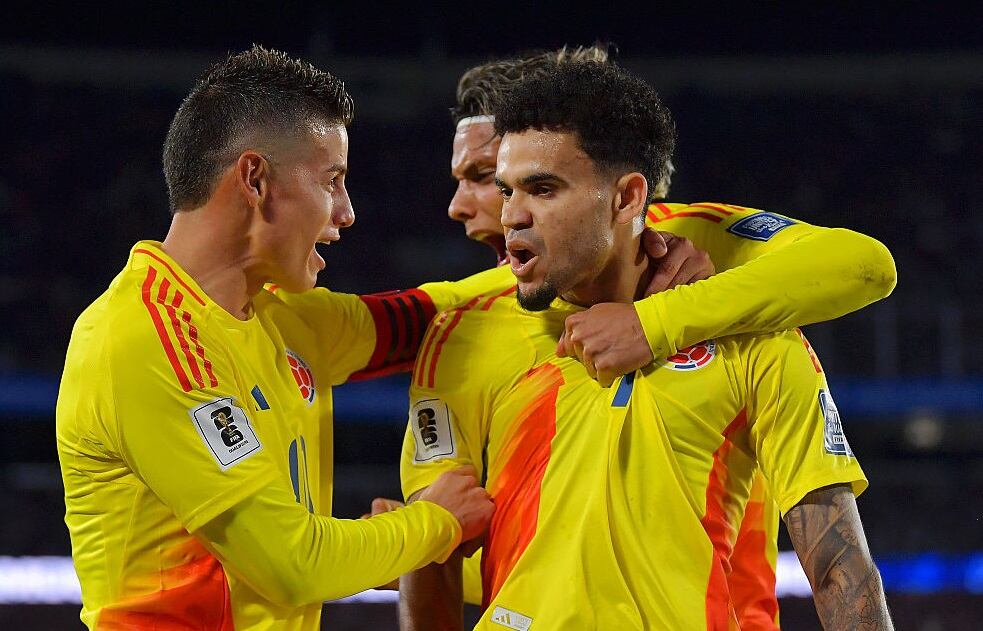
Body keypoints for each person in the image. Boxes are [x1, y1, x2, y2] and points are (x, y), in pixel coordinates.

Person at [392, 45, 897, 628]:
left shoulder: (755, 344)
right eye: (506, 190)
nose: (511, 216)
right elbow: (435, 556)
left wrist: (653, 324)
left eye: (543, 189)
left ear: (628, 197)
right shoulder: (465, 336)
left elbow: (840, 566)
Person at [56, 45, 506, 631]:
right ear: (255, 178)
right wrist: (436, 522)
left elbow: (441, 313)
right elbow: (293, 565)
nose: (347, 212)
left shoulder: (280, 317)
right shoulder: (143, 340)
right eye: (333, 180)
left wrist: (632, 235)